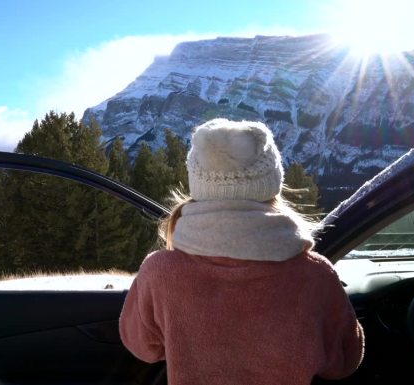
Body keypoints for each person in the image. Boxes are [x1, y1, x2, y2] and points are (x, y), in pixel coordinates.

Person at [119, 119, 364, 384]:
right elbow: (344, 361)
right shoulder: (315, 274)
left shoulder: (160, 271)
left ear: (199, 185)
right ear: (272, 184)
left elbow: (143, 347)